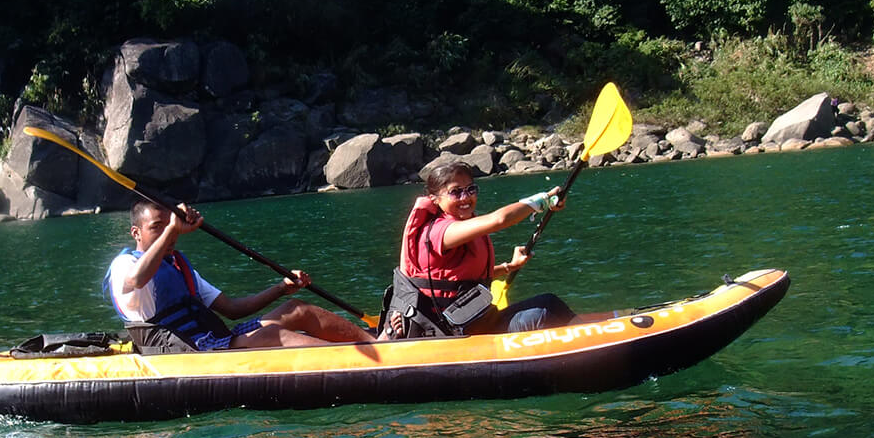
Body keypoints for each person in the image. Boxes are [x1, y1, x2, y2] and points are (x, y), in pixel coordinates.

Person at [107, 200, 372, 353]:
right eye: (157, 227)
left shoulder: (179, 266)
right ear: (136, 233)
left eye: (170, 226)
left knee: (295, 309)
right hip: (187, 352)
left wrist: (281, 287)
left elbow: (233, 309)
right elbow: (137, 280)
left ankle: (378, 344)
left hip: (212, 339)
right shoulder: (125, 264)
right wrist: (172, 230)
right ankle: (356, 362)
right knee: (273, 336)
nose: (169, 233)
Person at [384, 161, 578, 337]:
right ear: (434, 199)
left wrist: (509, 266)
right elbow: (499, 220)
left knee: (548, 303)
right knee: (545, 311)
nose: (465, 197)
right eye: (455, 192)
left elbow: (458, 282)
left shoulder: (458, 224)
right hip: (452, 332)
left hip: (474, 322)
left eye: (470, 189)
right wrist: (541, 201)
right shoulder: (440, 231)